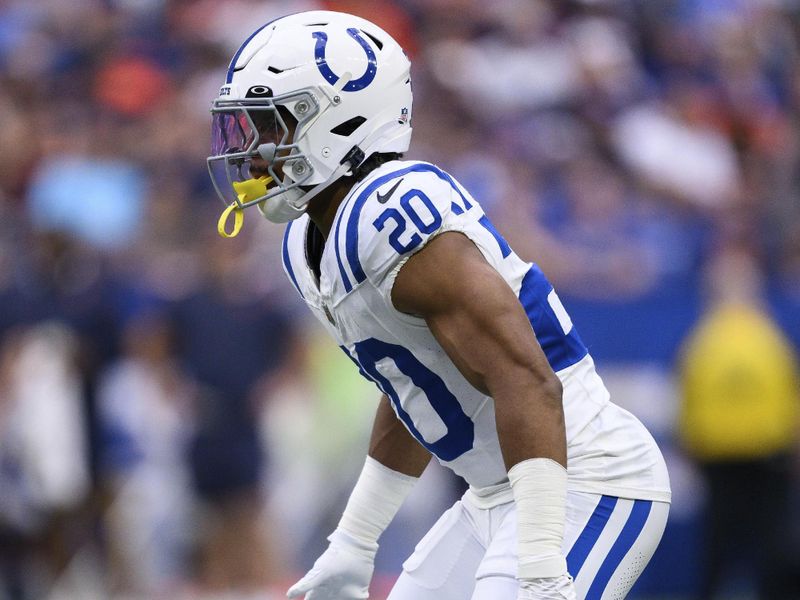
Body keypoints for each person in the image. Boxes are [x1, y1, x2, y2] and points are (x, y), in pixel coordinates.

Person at [206, 11, 671, 599]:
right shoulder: (308, 242)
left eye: (274, 126)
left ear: (341, 120)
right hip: (493, 495)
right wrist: (354, 542)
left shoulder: (394, 215)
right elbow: (415, 387)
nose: (253, 149)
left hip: (583, 479)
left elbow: (529, 381)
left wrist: (542, 565)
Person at [677, 242, 800, 599]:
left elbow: (687, 399)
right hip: (767, 452)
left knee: (718, 540)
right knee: (770, 539)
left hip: (718, 454)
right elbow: (789, 398)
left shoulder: (703, 340)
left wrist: (694, 444)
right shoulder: (769, 338)